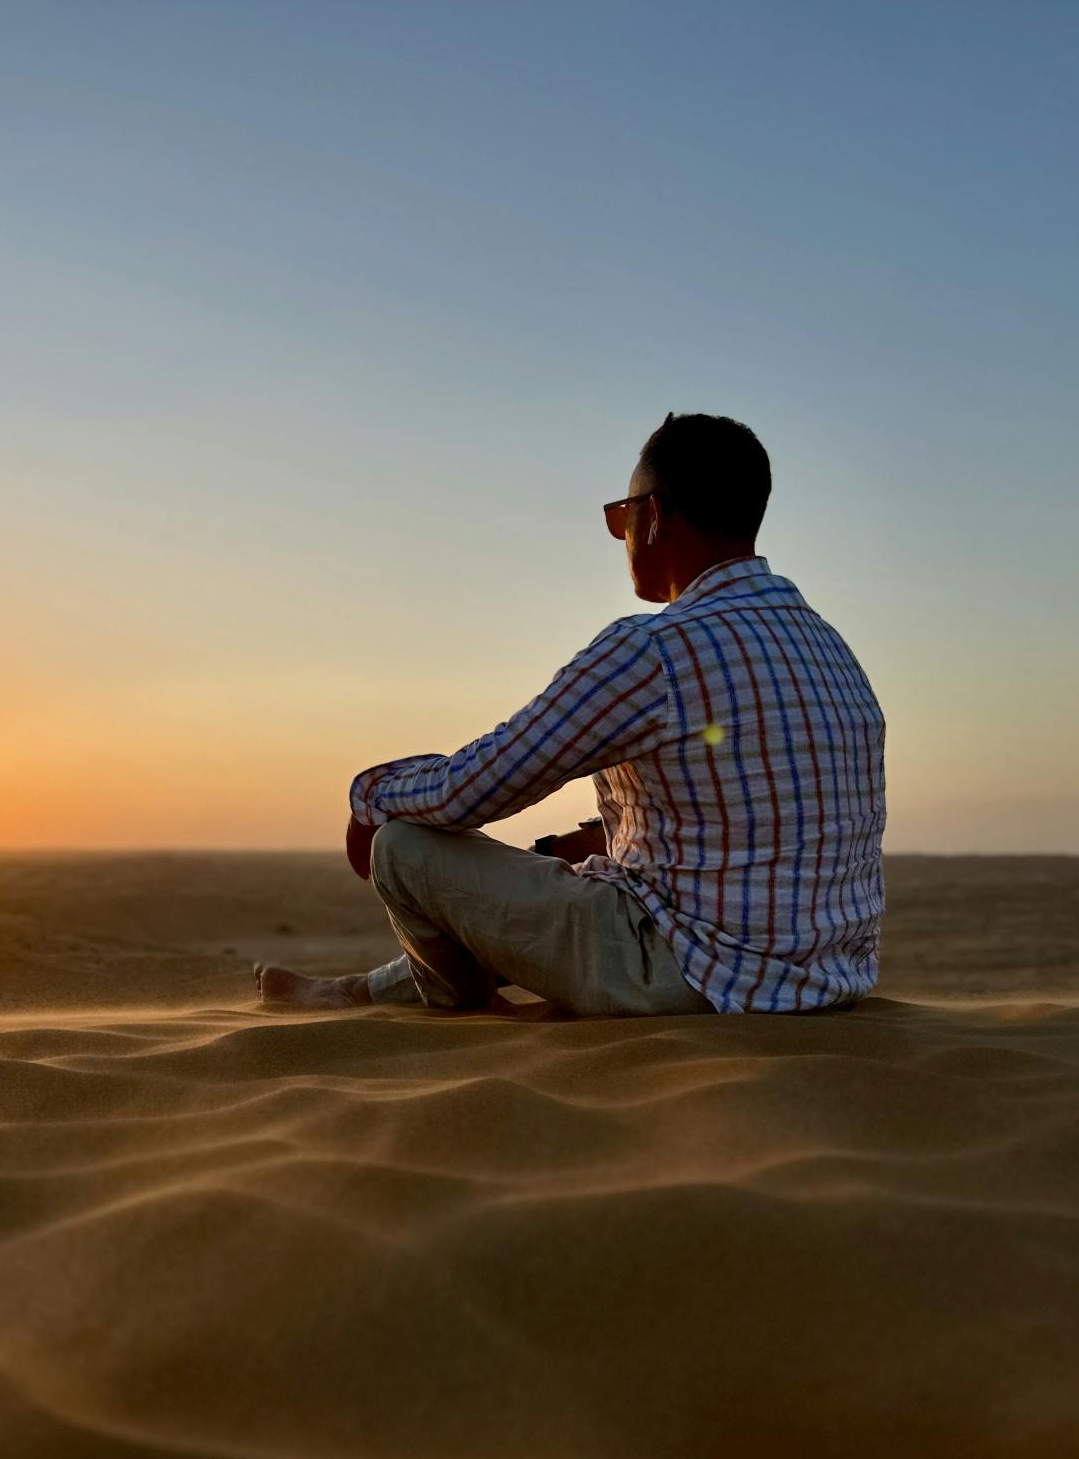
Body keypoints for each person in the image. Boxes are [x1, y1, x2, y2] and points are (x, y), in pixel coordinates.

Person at [257, 413, 885, 1019]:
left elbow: (474, 788)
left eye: (623, 516)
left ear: (656, 516)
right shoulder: (831, 650)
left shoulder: (656, 650)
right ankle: (364, 991)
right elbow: (739, 825)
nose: (623, 536)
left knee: (403, 844)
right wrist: (569, 844)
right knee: (587, 871)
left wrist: (369, 798)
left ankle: (457, 1015)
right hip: (825, 979)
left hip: (690, 976)